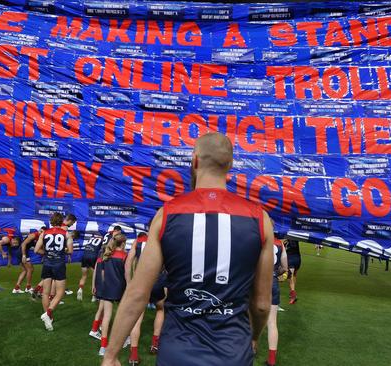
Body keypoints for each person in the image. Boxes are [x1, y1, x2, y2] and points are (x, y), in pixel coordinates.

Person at [101, 132, 274, 366]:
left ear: (194, 161)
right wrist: (254, 336)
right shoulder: (259, 219)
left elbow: (137, 294)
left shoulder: (167, 215)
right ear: (231, 165)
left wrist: (111, 355)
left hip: (177, 352)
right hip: (233, 352)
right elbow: (262, 304)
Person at [125, 232, 168, 364]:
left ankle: (133, 355)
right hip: (157, 280)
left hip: (140, 281)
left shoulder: (138, 241)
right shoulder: (163, 240)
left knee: (137, 318)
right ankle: (155, 343)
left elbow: (128, 262)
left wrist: (129, 283)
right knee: (160, 309)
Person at [34, 213, 75, 331]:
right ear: (61, 221)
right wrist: (62, 251)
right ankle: (48, 313)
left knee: (45, 293)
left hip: (47, 264)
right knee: (60, 293)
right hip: (59, 264)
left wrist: (47, 253)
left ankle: (49, 318)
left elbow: (36, 250)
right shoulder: (66, 233)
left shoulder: (44, 233)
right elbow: (70, 251)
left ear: (51, 221)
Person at [88, 226, 124, 338]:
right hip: (112, 286)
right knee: (112, 312)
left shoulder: (105, 253)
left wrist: (95, 284)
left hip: (104, 286)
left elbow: (97, 270)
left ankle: (95, 331)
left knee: (102, 310)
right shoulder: (112, 254)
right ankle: (121, 335)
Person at [97, 233, 129, 356]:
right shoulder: (124, 256)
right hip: (120, 288)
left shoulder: (107, 255)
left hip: (107, 288)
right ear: (123, 243)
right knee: (123, 316)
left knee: (106, 317)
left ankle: (103, 347)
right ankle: (124, 339)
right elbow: (127, 275)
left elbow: (103, 275)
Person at [266, 234, 288, 366]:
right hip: (273, 281)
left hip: (257, 282)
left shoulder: (257, 238)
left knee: (249, 317)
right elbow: (285, 267)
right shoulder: (279, 243)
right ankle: (272, 359)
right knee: (272, 322)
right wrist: (276, 274)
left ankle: (252, 347)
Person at [12, 227, 46, 294]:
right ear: (39, 230)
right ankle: (28, 287)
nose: (41, 232)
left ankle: (16, 288)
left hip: (21, 252)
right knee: (30, 269)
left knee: (25, 270)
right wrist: (24, 255)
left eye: (43, 232)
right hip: (22, 252)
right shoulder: (33, 235)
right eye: (41, 231)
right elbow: (23, 244)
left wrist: (43, 256)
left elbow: (40, 248)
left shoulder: (39, 238)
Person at [78, 231, 103, 301]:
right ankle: (94, 296)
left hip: (85, 256)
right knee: (95, 277)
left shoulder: (91, 239)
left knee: (83, 276)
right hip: (93, 256)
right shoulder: (102, 239)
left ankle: (80, 289)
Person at [285, 238, 301, 304]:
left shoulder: (285, 240)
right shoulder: (295, 238)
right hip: (298, 259)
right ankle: (292, 291)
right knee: (294, 275)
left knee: (289, 277)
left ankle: (293, 295)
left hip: (290, 259)